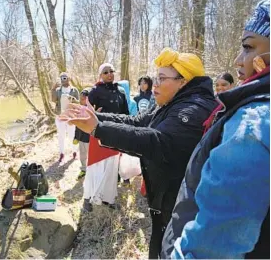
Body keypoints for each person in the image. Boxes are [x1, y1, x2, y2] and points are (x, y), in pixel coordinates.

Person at [60, 48, 218, 258]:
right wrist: (97, 120)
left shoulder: (192, 109)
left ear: (183, 81)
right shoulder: (173, 102)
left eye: (162, 78)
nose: (156, 84)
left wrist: (98, 130)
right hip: (166, 200)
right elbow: (138, 122)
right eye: (156, 77)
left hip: (183, 206)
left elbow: (156, 140)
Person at [161, 0, 270, 259]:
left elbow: (211, 246)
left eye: (247, 47)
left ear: (183, 80)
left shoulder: (253, 124)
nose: (238, 60)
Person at [82, 63, 129, 212]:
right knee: (95, 167)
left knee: (111, 167)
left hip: (115, 133)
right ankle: (88, 198)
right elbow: (86, 111)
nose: (109, 74)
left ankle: (108, 198)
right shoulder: (95, 91)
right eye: (105, 72)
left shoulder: (120, 91)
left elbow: (126, 114)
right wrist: (94, 113)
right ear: (100, 75)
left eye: (111, 71)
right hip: (98, 133)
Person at [51, 72, 79, 163]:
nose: (63, 79)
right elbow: (53, 100)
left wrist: (71, 99)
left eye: (65, 77)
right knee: (61, 136)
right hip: (60, 116)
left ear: (69, 79)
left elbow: (78, 103)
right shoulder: (58, 90)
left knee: (72, 135)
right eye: (62, 78)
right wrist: (53, 89)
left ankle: (74, 152)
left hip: (70, 116)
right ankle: (62, 154)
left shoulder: (74, 90)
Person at [73, 88, 91, 180]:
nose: (81, 100)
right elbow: (77, 124)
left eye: (83, 99)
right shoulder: (79, 109)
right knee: (82, 155)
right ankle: (83, 169)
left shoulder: (91, 110)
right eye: (80, 99)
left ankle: (92, 171)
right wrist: (75, 137)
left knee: (90, 155)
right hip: (81, 138)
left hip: (89, 138)